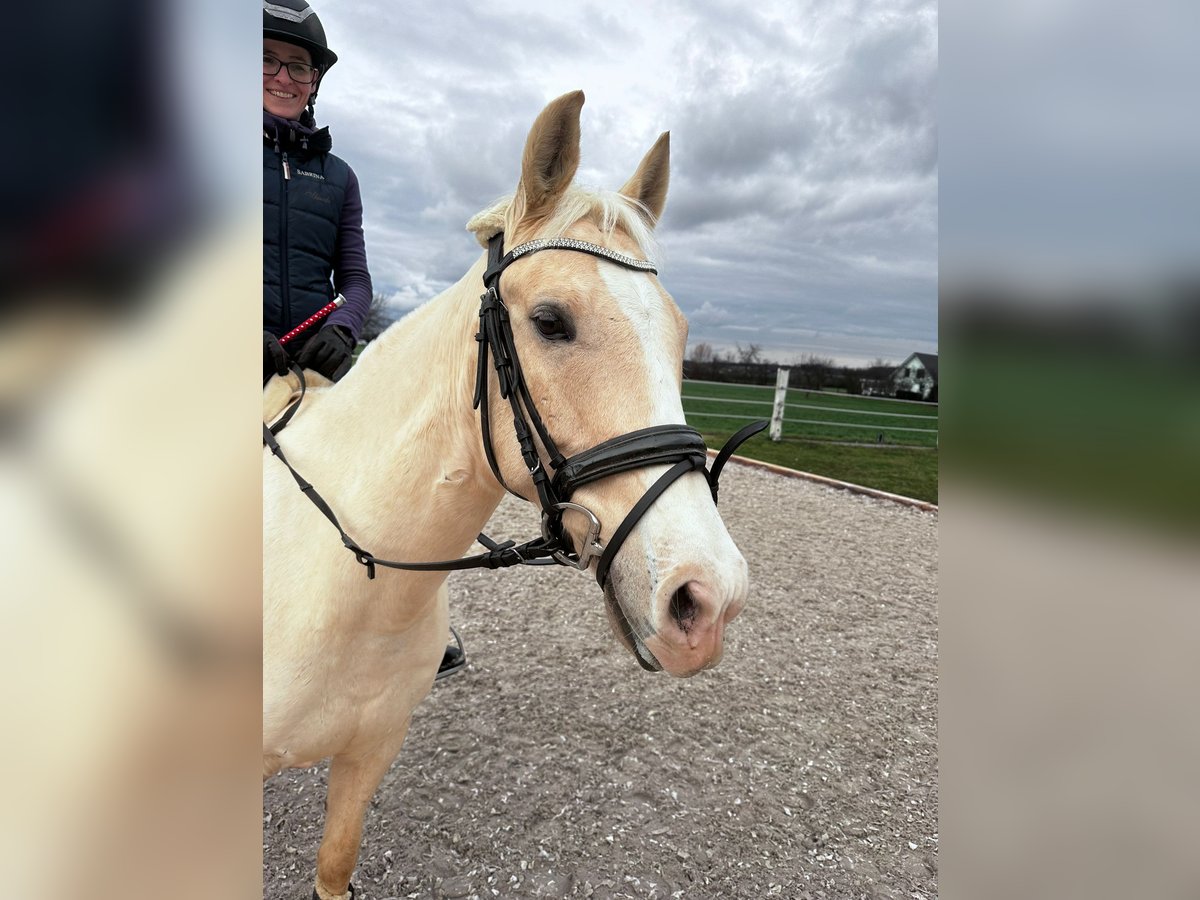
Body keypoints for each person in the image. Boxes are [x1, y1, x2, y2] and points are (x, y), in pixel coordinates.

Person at [262, 0, 465, 678]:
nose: (284, 76)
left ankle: (421, 621)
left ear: (316, 79)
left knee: (401, 466)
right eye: (267, 61)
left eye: (299, 65)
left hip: (315, 355)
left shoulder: (340, 177)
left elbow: (356, 279)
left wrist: (345, 327)